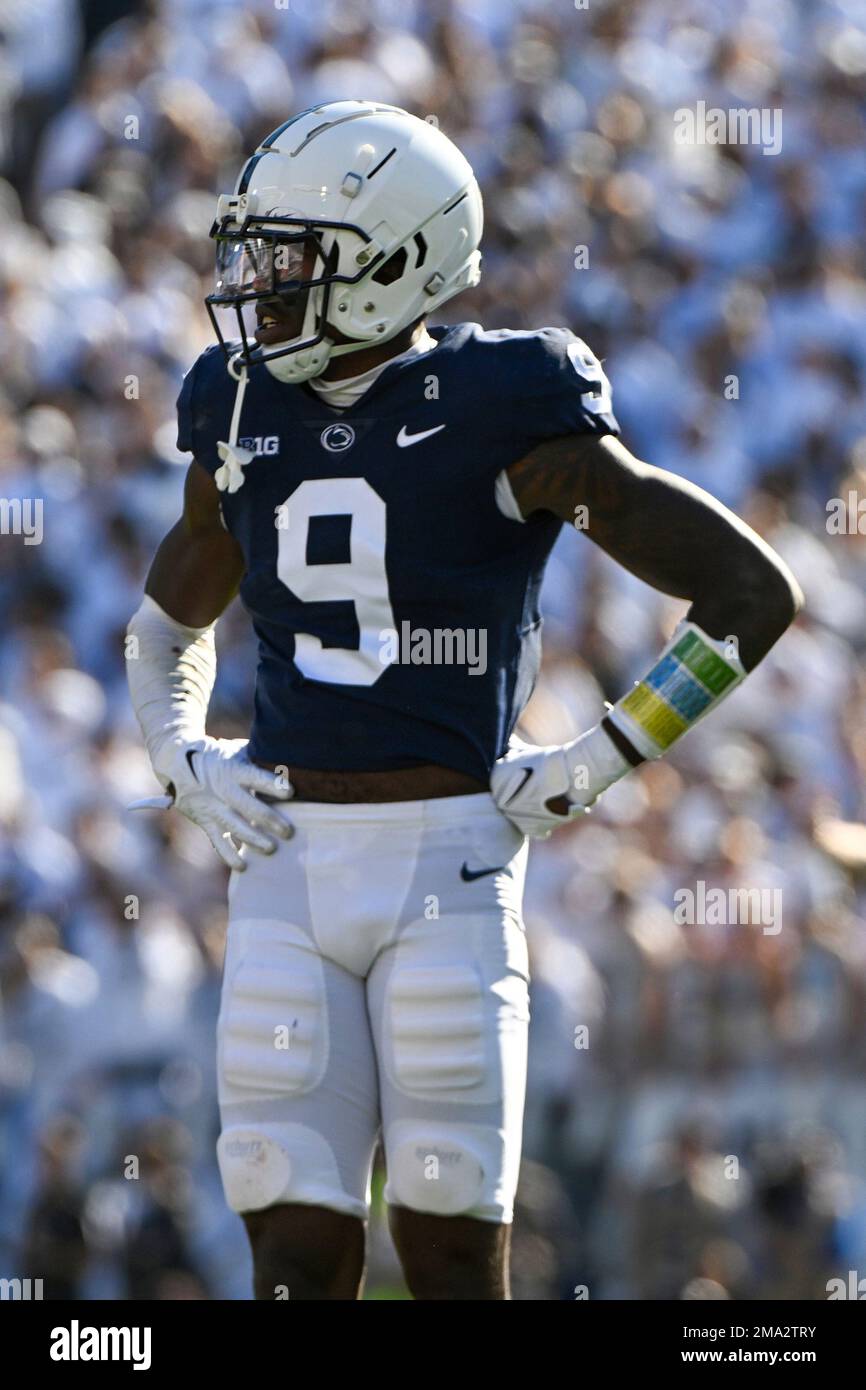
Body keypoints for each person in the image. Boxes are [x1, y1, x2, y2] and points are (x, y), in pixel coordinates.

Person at [125, 99, 802, 1301]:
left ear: (392, 260)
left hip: (451, 864)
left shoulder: (507, 405)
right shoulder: (236, 403)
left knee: (448, 1250)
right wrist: (183, 755)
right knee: (288, 1252)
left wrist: (599, 757)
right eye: (259, 255)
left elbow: (746, 591)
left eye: (295, 259)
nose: (261, 286)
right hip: (281, 859)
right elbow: (166, 624)